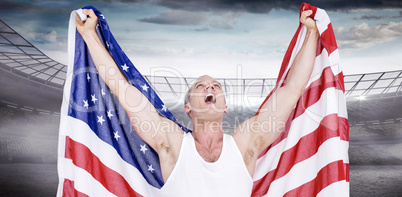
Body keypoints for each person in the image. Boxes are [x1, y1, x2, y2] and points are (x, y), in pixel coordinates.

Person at [76, 7, 319, 196]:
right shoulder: (171, 142)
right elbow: (123, 90)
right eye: (200, 86)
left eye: (216, 86)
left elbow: (293, 89)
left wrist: (311, 32)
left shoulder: (246, 144)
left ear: (225, 106)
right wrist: (89, 34)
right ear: (188, 107)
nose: (210, 87)